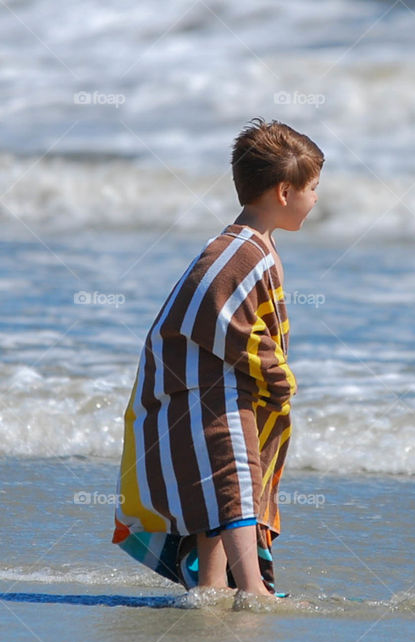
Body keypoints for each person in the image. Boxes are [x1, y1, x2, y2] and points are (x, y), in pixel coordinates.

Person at [112, 118, 324, 602]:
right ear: (285, 192)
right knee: (236, 487)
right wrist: (275, 371)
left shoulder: (254, 244)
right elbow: (210, 308)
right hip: (210, 392)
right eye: (313, 188)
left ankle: (210, 586)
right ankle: (251, 589)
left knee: (217, 490)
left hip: (224, 389)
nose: (317, 199)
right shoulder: (240, 250)